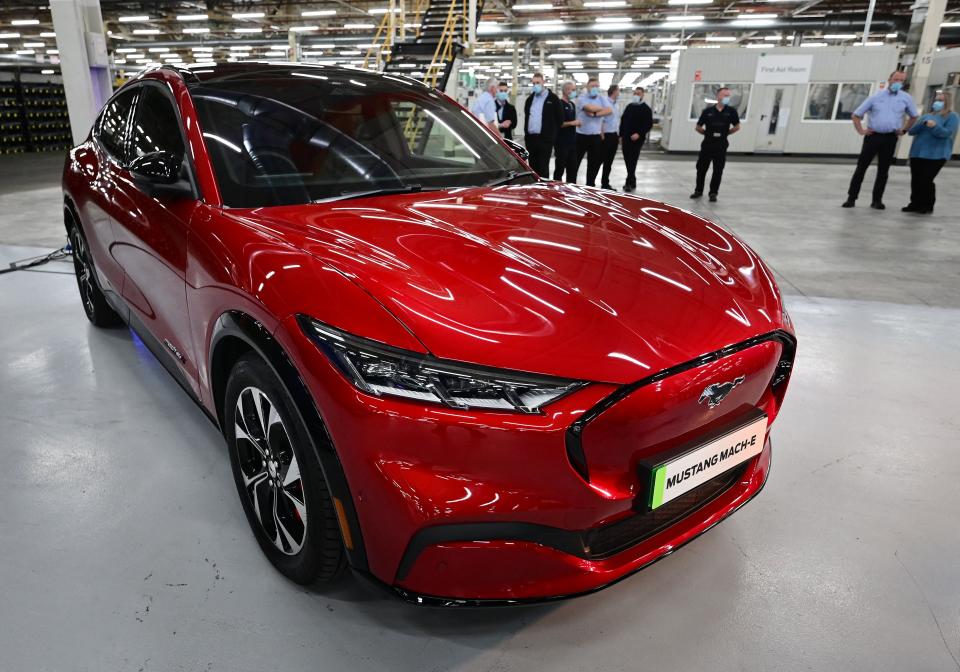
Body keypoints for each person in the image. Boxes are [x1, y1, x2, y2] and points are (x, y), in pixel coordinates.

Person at [842, 70, 919, 209]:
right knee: (861, 168)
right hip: (873, 137)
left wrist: (904, 130)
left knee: (883, 171)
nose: (898, 83)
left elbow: (914, 116)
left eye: (901, 80)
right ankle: (851, 198)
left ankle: (877, 200)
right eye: (896, 79)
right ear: (889, 79)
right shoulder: (876, 97)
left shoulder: (906, 98)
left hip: (890, 138)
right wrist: (861, 130)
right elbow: (856, 115)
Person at [903, 91, 958, 214]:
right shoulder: (926, 115)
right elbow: (912, 131)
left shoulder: (952, 116)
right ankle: (914, 203)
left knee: (926, 179)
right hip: (918, 153)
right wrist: (921, 124)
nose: (937, 102)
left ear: (947, 102)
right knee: (916, 179)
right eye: (936, 100)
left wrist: (934, 126)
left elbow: (946, 133)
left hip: (936, 154)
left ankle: (927, 205)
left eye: (941, 100)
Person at [691, 86, 740, 202]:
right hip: (707, 144)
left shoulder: (731, 112)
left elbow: (737, 126)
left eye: (729, 96)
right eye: (725, 95)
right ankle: (698, 190)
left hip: (721, 145)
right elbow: (698, 127)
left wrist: (726, 134)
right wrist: (707, 134)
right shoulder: (707, 112)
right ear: (718, 96)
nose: (727, 98)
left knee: (718, 170)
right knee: (701, 169)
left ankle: (713, 193)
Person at [522, 72, 564, 178]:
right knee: (532, 168)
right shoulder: (530, 99)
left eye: (538, 82)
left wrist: (551, 135)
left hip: (545, 140)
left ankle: (543, 190)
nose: (536, 85)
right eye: (534, 83)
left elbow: (560, 119)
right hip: (531, 140)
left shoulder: (553, 99)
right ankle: (534, 190)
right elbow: (527, 116)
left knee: (543, 167)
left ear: (543, 82)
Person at [575, 77, 613, 187]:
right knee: (575, 162)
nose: (595, 88)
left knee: (594, 164)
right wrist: (601, 109)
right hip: (581, 135)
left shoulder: (602, 98)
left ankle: (590, 185)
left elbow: (609, 110)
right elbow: (589, 108)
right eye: (592, 86)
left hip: (596, 136)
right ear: (587, 87)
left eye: (597, 86)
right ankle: (572, 184)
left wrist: (596, 113)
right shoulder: (582, 98)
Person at [619, 86, 653, 193]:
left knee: (632, 159)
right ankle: (633, 179)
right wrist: (621, 135)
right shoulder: (629, 106)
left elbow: (648, 124)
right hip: (626, 138)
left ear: (643, 95)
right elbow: (623, 121)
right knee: (627, 158)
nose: (636, 95)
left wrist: (639, 133)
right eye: (635, 93)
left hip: (637, 139)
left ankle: (628, 182)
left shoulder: (646, 109)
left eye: (638, 94)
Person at [553, 81, 581, 183]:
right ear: (566, 90)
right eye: (572, 90)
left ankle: (572, 188)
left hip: (572, 142)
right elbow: (559, 123)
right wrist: (573, 123)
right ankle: (556, 187)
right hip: (561, 142)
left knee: (572, 168)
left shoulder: (572, 104)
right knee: (560, 167)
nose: (574, 92)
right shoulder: (559, 104)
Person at [599, 85, 622, 190]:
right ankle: (591, 183)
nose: (619, 92)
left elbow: (616, 121)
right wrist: (602, 135)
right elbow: (601, 120)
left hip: (614, 135)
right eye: (618, 91)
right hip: (606, 135)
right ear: (614, 91)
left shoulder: (616, 104)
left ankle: (605, 183)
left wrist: (618, 135)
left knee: (609, 161)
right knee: (599, 160)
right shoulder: (605, 103)